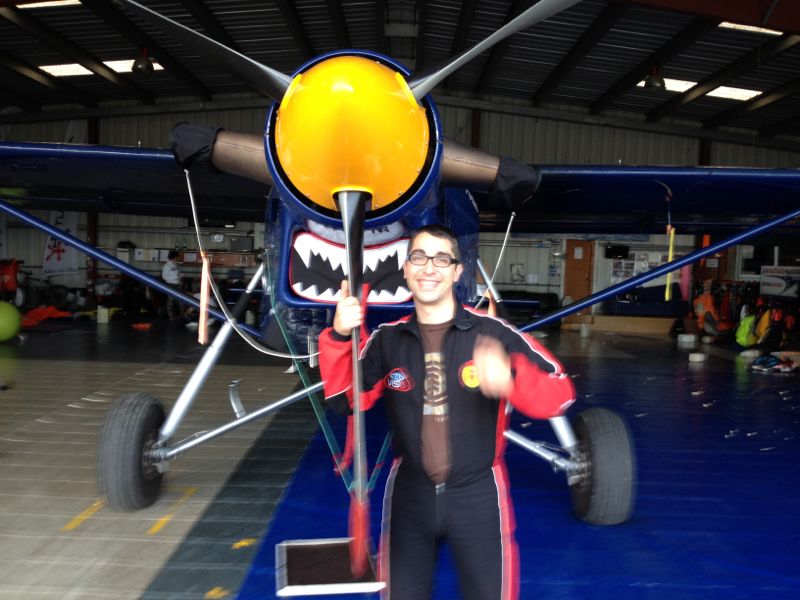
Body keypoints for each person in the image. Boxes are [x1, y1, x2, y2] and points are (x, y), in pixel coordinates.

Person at [319, 224, 575, 600]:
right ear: (405, 268)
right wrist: (340, 335)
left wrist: (512, 380)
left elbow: (561, 394)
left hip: (476, 494)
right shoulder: (387, 340)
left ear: (457, 271)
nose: (429, 268)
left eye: (442, 259)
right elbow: (343, 399)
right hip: (410, 493)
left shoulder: (494, 334)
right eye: (419, 257)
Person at [161, 250, 183, 320]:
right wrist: (175, 277)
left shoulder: (176, 265)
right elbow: (164, 277)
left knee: (181, 301)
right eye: (177, 257)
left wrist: (180, 278)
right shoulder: (166, 266)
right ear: (174, 257)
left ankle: (183, 316)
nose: (178, 258)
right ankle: (171, 317)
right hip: (170, 285)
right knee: (170, 301)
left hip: (177, 285)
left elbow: (178, 274)